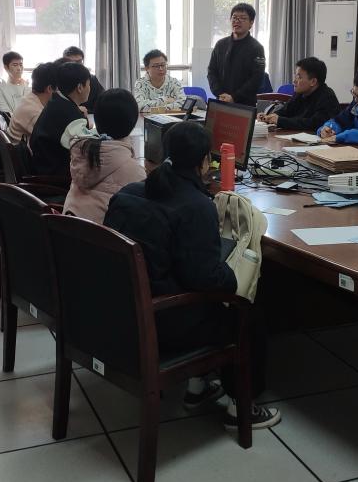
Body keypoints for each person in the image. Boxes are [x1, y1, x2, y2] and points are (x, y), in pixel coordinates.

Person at [104, 121, 280, 430]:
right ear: (204, 162)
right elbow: (207, 280)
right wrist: (233, 273)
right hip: (160, 323)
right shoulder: (196, 206)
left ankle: (198, 388)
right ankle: (241, 406)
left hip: (120, 312)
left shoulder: (130, 193)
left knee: (201, 288)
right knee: (246, 310)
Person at [65, 89, 146, 223]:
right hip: (104, 234)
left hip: (67, 226)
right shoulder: (135, 172)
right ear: (132, 122)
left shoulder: (82, 152)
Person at [29, 61, 95, 177]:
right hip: (55, 177)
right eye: (89, 85)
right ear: (80, 87)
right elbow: (87, 148)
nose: (90, 88)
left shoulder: (56, 102)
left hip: (44, 167)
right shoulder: (70, 115)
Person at [207, 2, 266, 106]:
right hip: (221, 100)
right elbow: (211, 71)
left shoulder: (257, 48)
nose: (237, 21)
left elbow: (257, 78)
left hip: (244, 104)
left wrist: (234, 97)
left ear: (251, 23)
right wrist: (220, 93)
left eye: (243, 18)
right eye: (234, 17)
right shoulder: (221, 44)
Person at [259, 57, 340, 132]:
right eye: (295, 76)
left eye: (299, 77)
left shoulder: (327, 97)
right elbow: (285, 111)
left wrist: (279, 120)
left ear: (313, 82)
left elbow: (314, 124)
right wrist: (268, 117)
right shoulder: (299, 93)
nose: (294, 81)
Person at [6, 61, 57, 146]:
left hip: (22, 147)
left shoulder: (30, 98)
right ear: (49, 88)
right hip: (24, 152)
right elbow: (54, 138)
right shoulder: (35, 112)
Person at [60, 46, 104, 113]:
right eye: (72, 63)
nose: (76, 66)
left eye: (79, 62)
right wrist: (74, 108)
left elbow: (102, 101)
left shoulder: (92, 80)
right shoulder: (58, 82)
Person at [0, 51, 30, 116]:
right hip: (12, 121)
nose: (19, 68)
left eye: (21, 65)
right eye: (15, 65)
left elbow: (31, 108)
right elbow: (5, 112)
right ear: (6, 67)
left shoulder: (28, 84)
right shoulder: (0, 86)